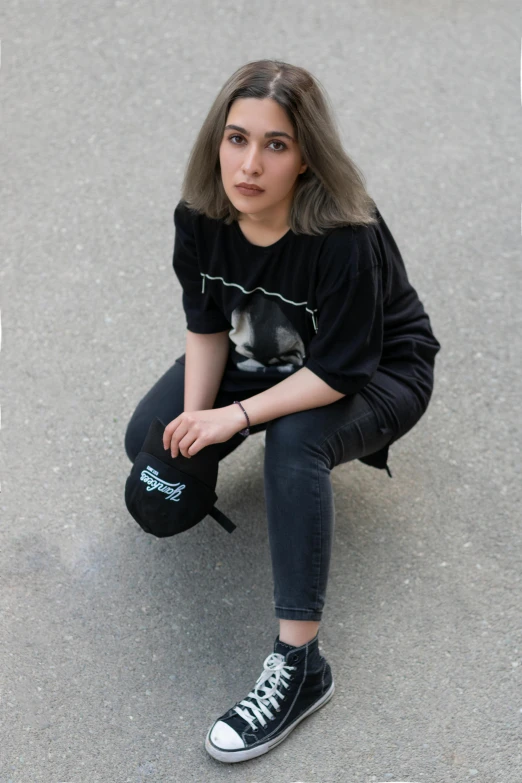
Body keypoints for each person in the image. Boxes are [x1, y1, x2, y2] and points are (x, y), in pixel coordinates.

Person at [124, 58, 441, 763]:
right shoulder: (200, 216)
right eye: (237, 138)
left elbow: (338, 370)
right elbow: (208, 325)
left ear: (305, 158)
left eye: (276, 144)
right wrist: (196, 427)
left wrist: (235, 420)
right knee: (147, 442)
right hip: (263, 347)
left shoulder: (343, 233)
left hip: (376, 366)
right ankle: (244, 447)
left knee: (292, 443)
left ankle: (301, 666)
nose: (249, 164)